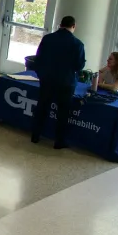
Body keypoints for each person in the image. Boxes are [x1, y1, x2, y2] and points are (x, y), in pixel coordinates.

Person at [32, 16, 85, 149]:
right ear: (73, 26)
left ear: (60, 25)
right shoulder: (77, 44)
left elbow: (38, 58)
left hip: (47, 79)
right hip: (66, 82)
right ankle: (59, 141)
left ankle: (35, 135)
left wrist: (41, 74)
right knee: (63, 112)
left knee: (42, 107)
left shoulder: (47, 38)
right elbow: (79, 66)